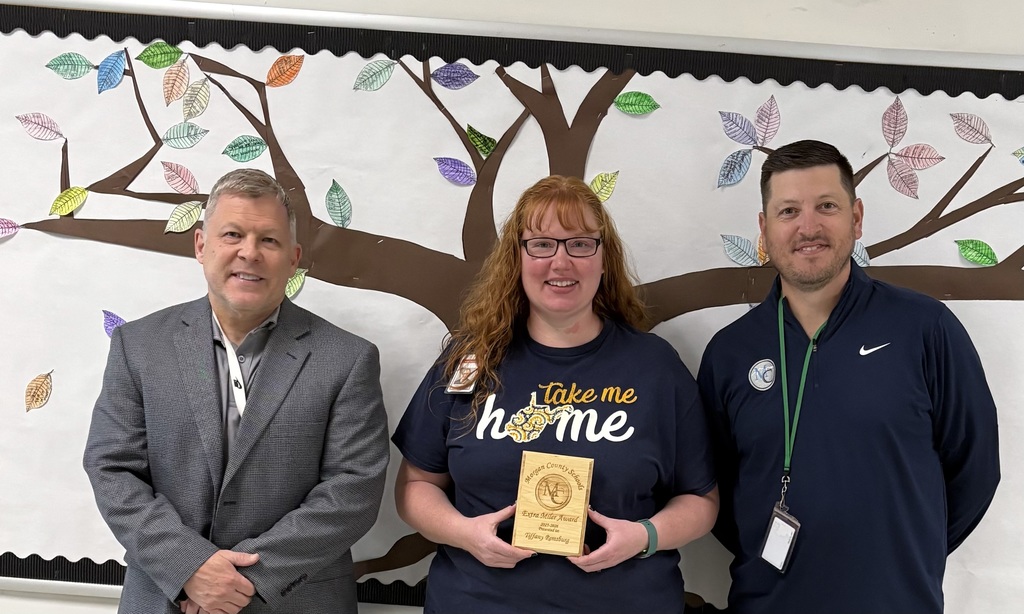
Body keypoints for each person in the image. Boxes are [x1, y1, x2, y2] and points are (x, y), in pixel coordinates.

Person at [697, 140, 1000, 613]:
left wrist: (906, 554)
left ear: (856, 218)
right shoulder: (730, 354)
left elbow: (975, 469)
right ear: (764, 227)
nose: (808, 226)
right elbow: (716, 492)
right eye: (788, 210)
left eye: (827, 207)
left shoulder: (925, 328)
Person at [392, 175, 718, 613]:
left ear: (604, 258)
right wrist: (462, 533)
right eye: (542, 244)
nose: (560, 262)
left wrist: (645, 536)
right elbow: (416, 484)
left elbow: (701, 499)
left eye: (580, 244)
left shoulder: (656, 367)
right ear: (518, 257)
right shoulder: (469, 360)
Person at [83, 169, 390, 614]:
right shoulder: (138, 346)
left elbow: (353, 492)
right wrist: (190, 567)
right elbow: (112, 470)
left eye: (269, 240)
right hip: (165, 597)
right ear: (201, 245)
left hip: (297, 600)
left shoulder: (347, 358)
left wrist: (241, 581)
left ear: (294, 258)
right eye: (232, 234)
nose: (250, 252)